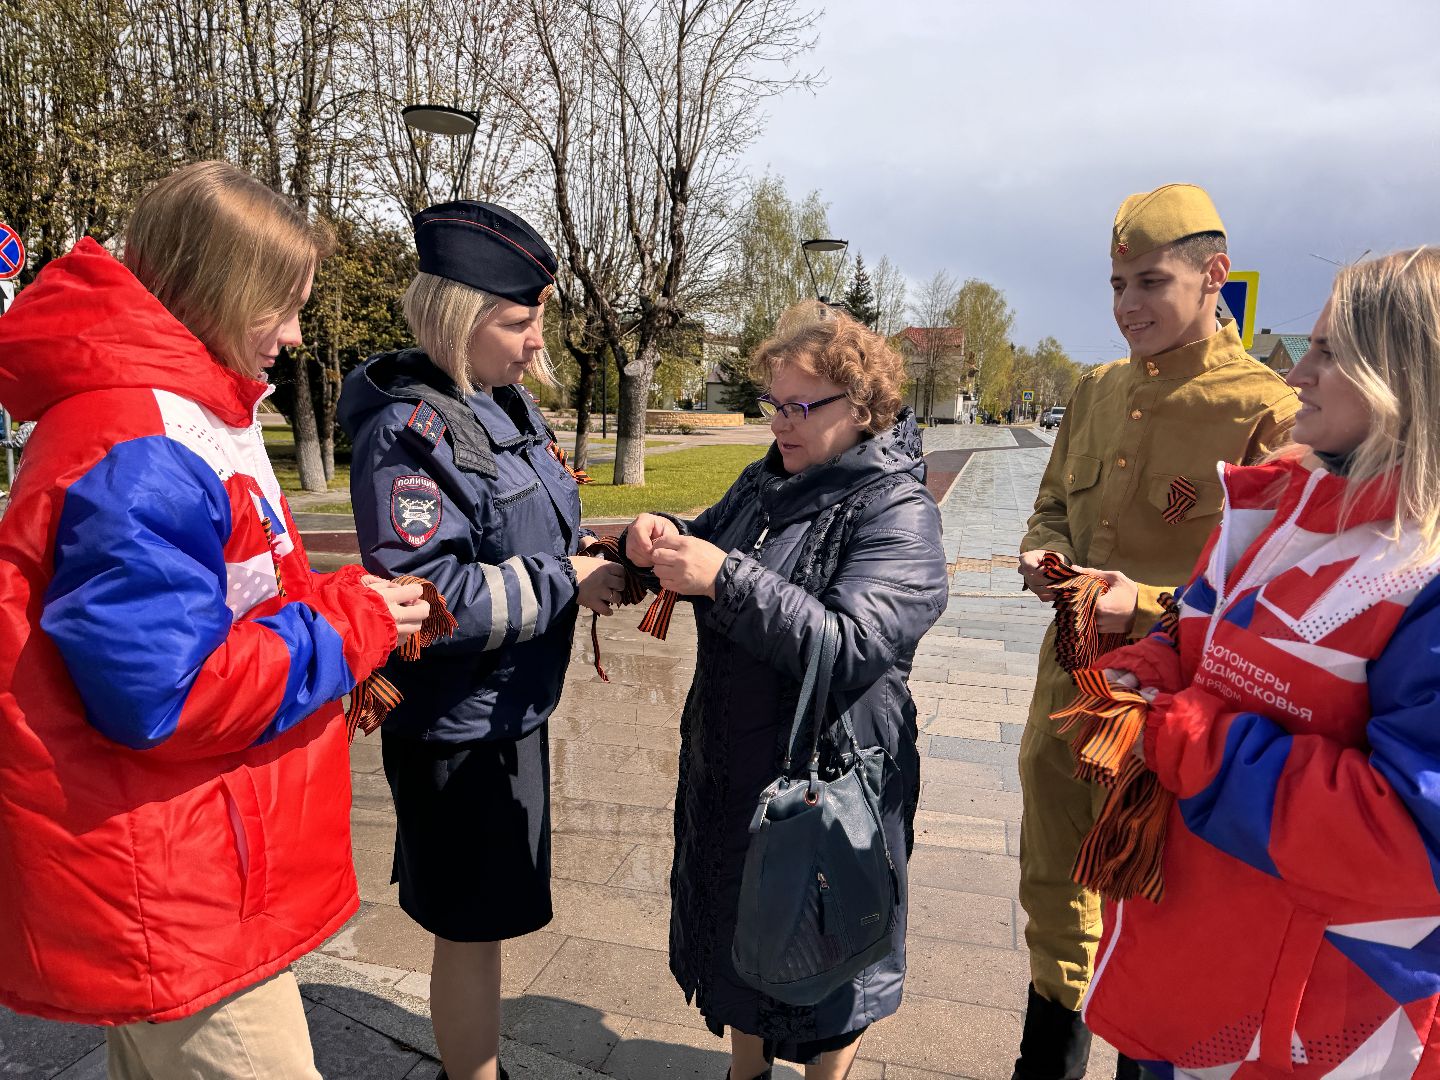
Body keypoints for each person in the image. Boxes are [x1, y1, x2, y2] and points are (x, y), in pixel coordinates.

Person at [0, 160, 428, 1078]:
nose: (295, 335)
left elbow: (221, 610)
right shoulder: (144, 438)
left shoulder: (166, 416)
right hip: (176, 886)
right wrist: (350, 625)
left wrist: (338, 602)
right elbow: (169, 692)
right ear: (222, 288)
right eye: (283, 306)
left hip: (171, 865)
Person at [1083, 246, 1440, 1076]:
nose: (1298, 373)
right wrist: (1151, 667)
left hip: (1324, 1024)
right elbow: (1200, 635)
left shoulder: (1421, 572)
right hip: (1203, 967)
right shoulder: (1280, 503)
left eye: (1328, 353)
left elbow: (1411, 839)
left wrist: (1190, 742)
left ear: (1406, 376)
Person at [1013, 184, 1299, 1079]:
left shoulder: (1267, 414)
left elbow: (1269, 595)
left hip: (1172, 718)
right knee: (1052, 893)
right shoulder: (1096, 391)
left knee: (1156, 905)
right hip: (1068, 692)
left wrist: (1140, 604)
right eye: (1115, 285)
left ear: (1216, 275)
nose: (1126, 306)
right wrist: (1045, 553)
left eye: (1149, 282)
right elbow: (1052, 505)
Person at [621, 302, 949, 1080]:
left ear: (861, 407)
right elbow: (707, 540)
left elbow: (853, 643)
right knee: (743, 938)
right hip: (735, 765)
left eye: (801, 407)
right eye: (774, 403)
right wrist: (657, 534)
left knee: (830, 961)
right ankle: (747, 1072)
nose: (779, 423)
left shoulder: (900, 511)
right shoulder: (766, 481)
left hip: (833, 781)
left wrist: (727, 579)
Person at [339, 199, 624, 1080]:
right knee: (468, 928)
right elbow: (429, 598)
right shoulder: (409, 431)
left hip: (509, 709)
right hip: (455, 726)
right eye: (517, 321)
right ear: (458, 318)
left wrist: (601, 557)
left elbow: (527, 532)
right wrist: (564, 580)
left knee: (488, 919)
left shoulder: (503, 405)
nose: (537, 342)